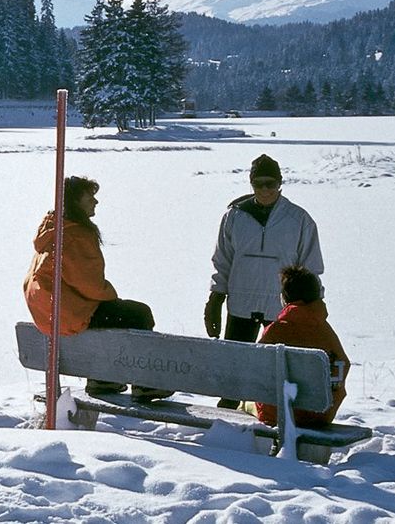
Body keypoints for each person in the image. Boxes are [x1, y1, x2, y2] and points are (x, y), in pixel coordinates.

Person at [23, 175, 172, 402]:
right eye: (90, 196)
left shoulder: (53, 231)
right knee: (138, 313)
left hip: (48, 315)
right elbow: (90, 284)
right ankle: (145, 384)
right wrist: (111, 297)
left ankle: (103, 378)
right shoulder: (75, 234)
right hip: (68, 314)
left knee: (112, 313)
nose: (95, 202)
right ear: (75, 201)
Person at [205, 153, 323, 408]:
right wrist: (216, 296)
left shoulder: (298, 219)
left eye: (271, 183)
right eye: (259, 184)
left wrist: (313, 304)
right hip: (241, 304)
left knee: (280, 375)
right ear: (251, 184)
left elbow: (311, 266)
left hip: (280, 307)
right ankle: (224, 431)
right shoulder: (234, 216)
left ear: (280, 183)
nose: (266, 189)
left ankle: (276, 422)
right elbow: (223, 260)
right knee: (234, 375)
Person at [251, 265, 349, 428]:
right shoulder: (326, 332)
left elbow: (255, 369)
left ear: (284, 298)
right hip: (319, 415)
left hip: (276, 414)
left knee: (245, 403)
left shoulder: (275, 330)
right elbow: (341, 366)